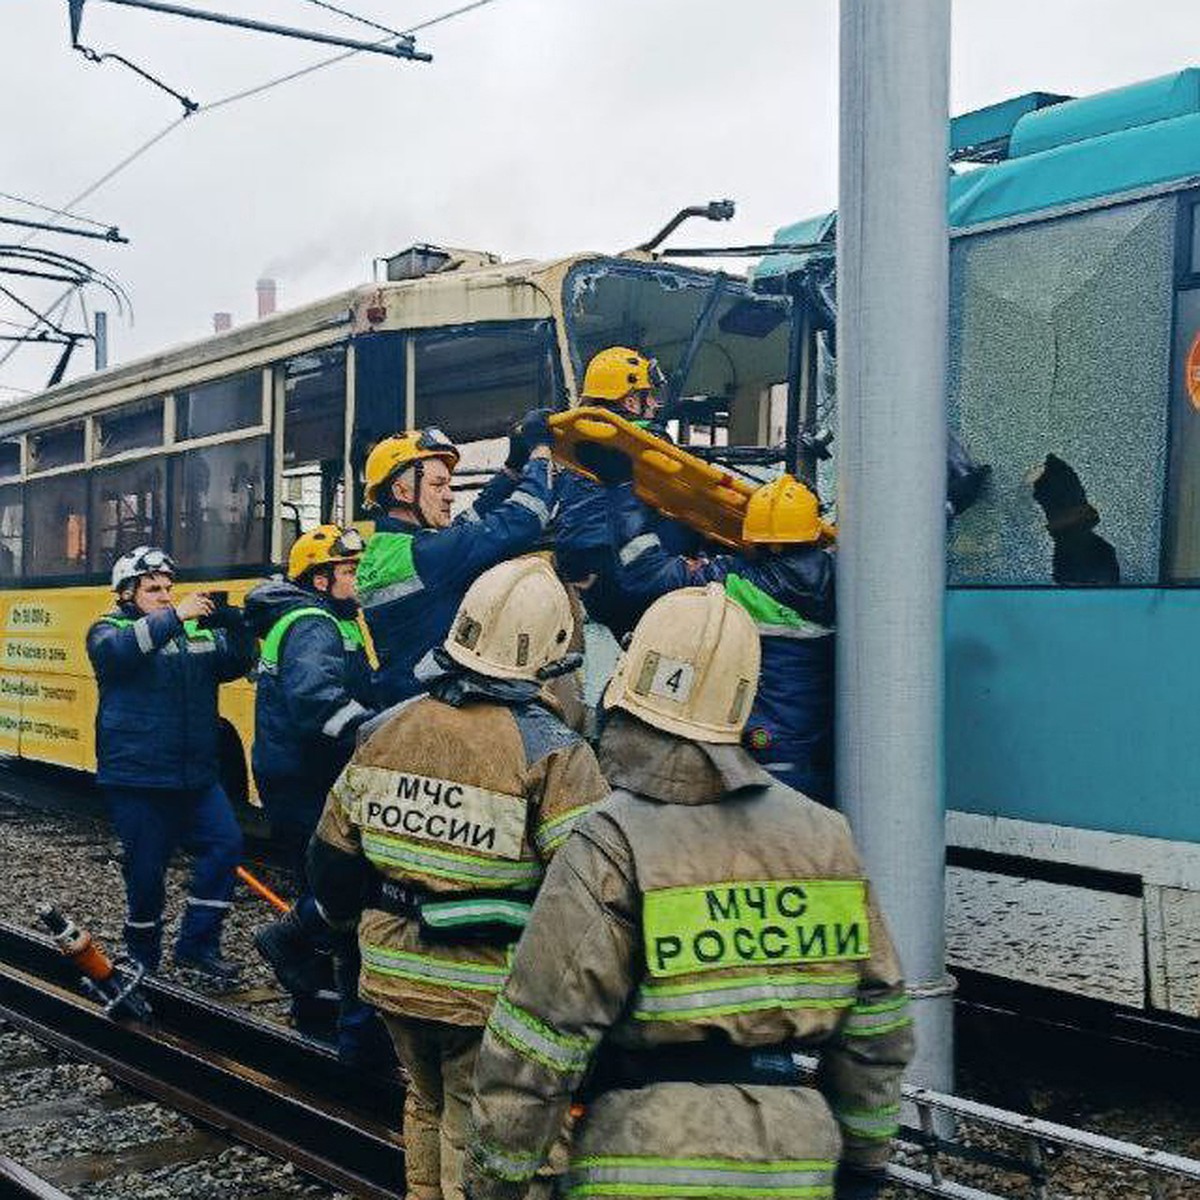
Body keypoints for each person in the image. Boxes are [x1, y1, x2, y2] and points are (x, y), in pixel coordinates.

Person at [463, 582, 914, 1200]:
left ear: (626, 684)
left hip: (642, 1154)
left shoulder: (610, 841)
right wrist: (862, 1163)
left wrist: (498, 1178)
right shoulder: (826, 837)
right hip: (794, 1160)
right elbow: (879, 1027)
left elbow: (539, 1039)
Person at [308, 556, 609, 1200]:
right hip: (488, 988)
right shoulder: (553, 750)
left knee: (425, 1100)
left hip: (392, 971)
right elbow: (586, 894)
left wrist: (342, 930)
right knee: (485, 1128)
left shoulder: (386, 727)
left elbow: (332, 856)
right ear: (554, 656)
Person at [244, 524, 391, 1065]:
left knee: (332, 889)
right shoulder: (312, 623)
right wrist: (381, 735)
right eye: (349, 571)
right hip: (307, 781)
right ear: (322, 579)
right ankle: (314, 997)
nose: (358, 580)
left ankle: (319, 1008)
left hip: (300, 778)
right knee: (336, 891)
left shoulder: (326, 621)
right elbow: (317, 703)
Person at [609, 473, 837, 803]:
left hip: (750, 762)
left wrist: (620, 488)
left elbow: (644, 572)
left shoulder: (740, 585)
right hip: (818, 761)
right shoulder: (846, 582)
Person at [86, 545, 255, 980]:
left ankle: (197, 945)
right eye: (152, 589)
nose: (164, 595)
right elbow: (120, 653)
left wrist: (235, 624)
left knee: (226, 845)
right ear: (126, 594)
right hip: (137, 778)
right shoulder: (107, 630)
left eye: (168, 588)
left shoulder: (189, 635)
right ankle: (143, 957)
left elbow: (236, 662)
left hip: (195, 777)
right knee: (146, 874)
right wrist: (175, 616)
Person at [357, 422, 555, 707]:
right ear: (401, 492)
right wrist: (540, 453)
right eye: (438, 485)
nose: (450, 495)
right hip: (433, 706)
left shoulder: (388, 548)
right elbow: (524, 520)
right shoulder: (427, 554)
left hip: (400, 698)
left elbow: (467, 525)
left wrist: (512, 470)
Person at [554, 345, 701, 638]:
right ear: (632, 402)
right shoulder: (650, 444)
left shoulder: (576, 446)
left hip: (594, 592)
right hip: (634, 585)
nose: (655, 404)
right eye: (650, 396)